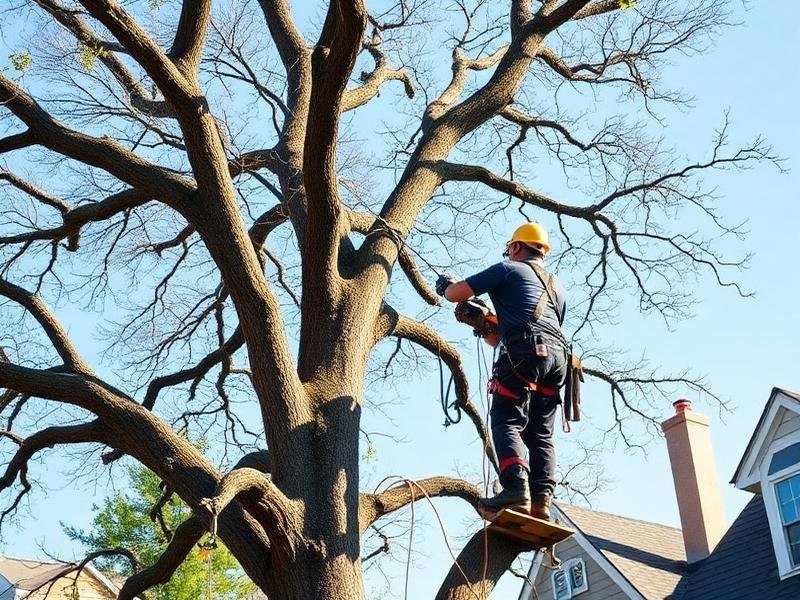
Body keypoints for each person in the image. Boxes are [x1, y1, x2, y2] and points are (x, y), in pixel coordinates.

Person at [435, 223, 568, 520]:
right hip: (558, 361)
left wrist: (446, 287)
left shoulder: (507, 269)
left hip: (525, 352)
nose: (508, 252)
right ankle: (541, 502)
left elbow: (457, 293)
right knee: (541, 435)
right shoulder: (558, 287)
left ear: (518, 247)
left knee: (506, 420)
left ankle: (516, 488)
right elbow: (506, 334)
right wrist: (485, 326)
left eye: (510, 247)